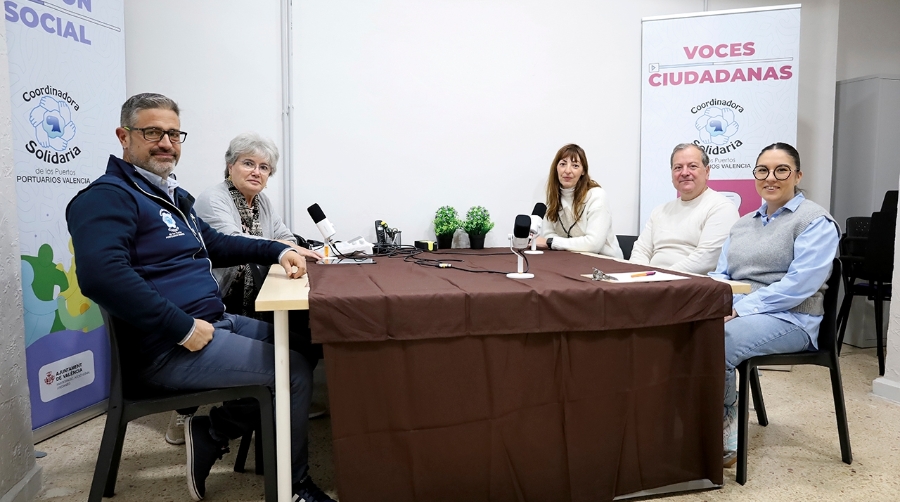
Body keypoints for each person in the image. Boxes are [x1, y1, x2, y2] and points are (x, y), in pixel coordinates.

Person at [66, 93, 335, 502]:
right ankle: (294, 490)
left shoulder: (172, 197)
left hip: (213, 321)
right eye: (152, 132)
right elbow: (102, 276)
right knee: (293, 371)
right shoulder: (108, 196)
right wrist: (181, 326)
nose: (166, 143)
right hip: (168, 346)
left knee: (304, 345)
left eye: (173, 133)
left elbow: (217, 244)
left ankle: (211, 431)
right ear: (124, 136)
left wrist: (280, 250)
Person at [709, 143, 839, 467]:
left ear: (797, 175)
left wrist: (740, 308)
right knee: (685, 332)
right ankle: (689, 420)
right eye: (763, 170)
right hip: (742, 311)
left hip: (792, 319)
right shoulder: (742, 224)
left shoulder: (815, 221)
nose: (771, 178)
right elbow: (721, 274)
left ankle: (723, 434)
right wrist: (713, 303)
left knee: (719, 342)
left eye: (781, 170)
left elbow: (799, 286)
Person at [629, 143, 739, 273]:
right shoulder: (660, 211)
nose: (685, 173)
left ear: (707, 171)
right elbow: (641, 250)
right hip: (651, 283)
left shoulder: (722, 207)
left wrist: (660, 278)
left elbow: (706, 259)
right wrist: (640, 276)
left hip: (690, 286)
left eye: (692, 166)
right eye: (678, 167)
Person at [534, 144, 623, 258]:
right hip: (571, 259)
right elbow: (548, 234)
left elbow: (593, 244)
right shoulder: (553, 197)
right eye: (562, 164)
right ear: (556, 168)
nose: (567, 170)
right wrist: (551, 242)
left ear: (583, 171)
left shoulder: (597, 196)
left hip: (606, 261)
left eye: (575, 166)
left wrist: (552, 243)